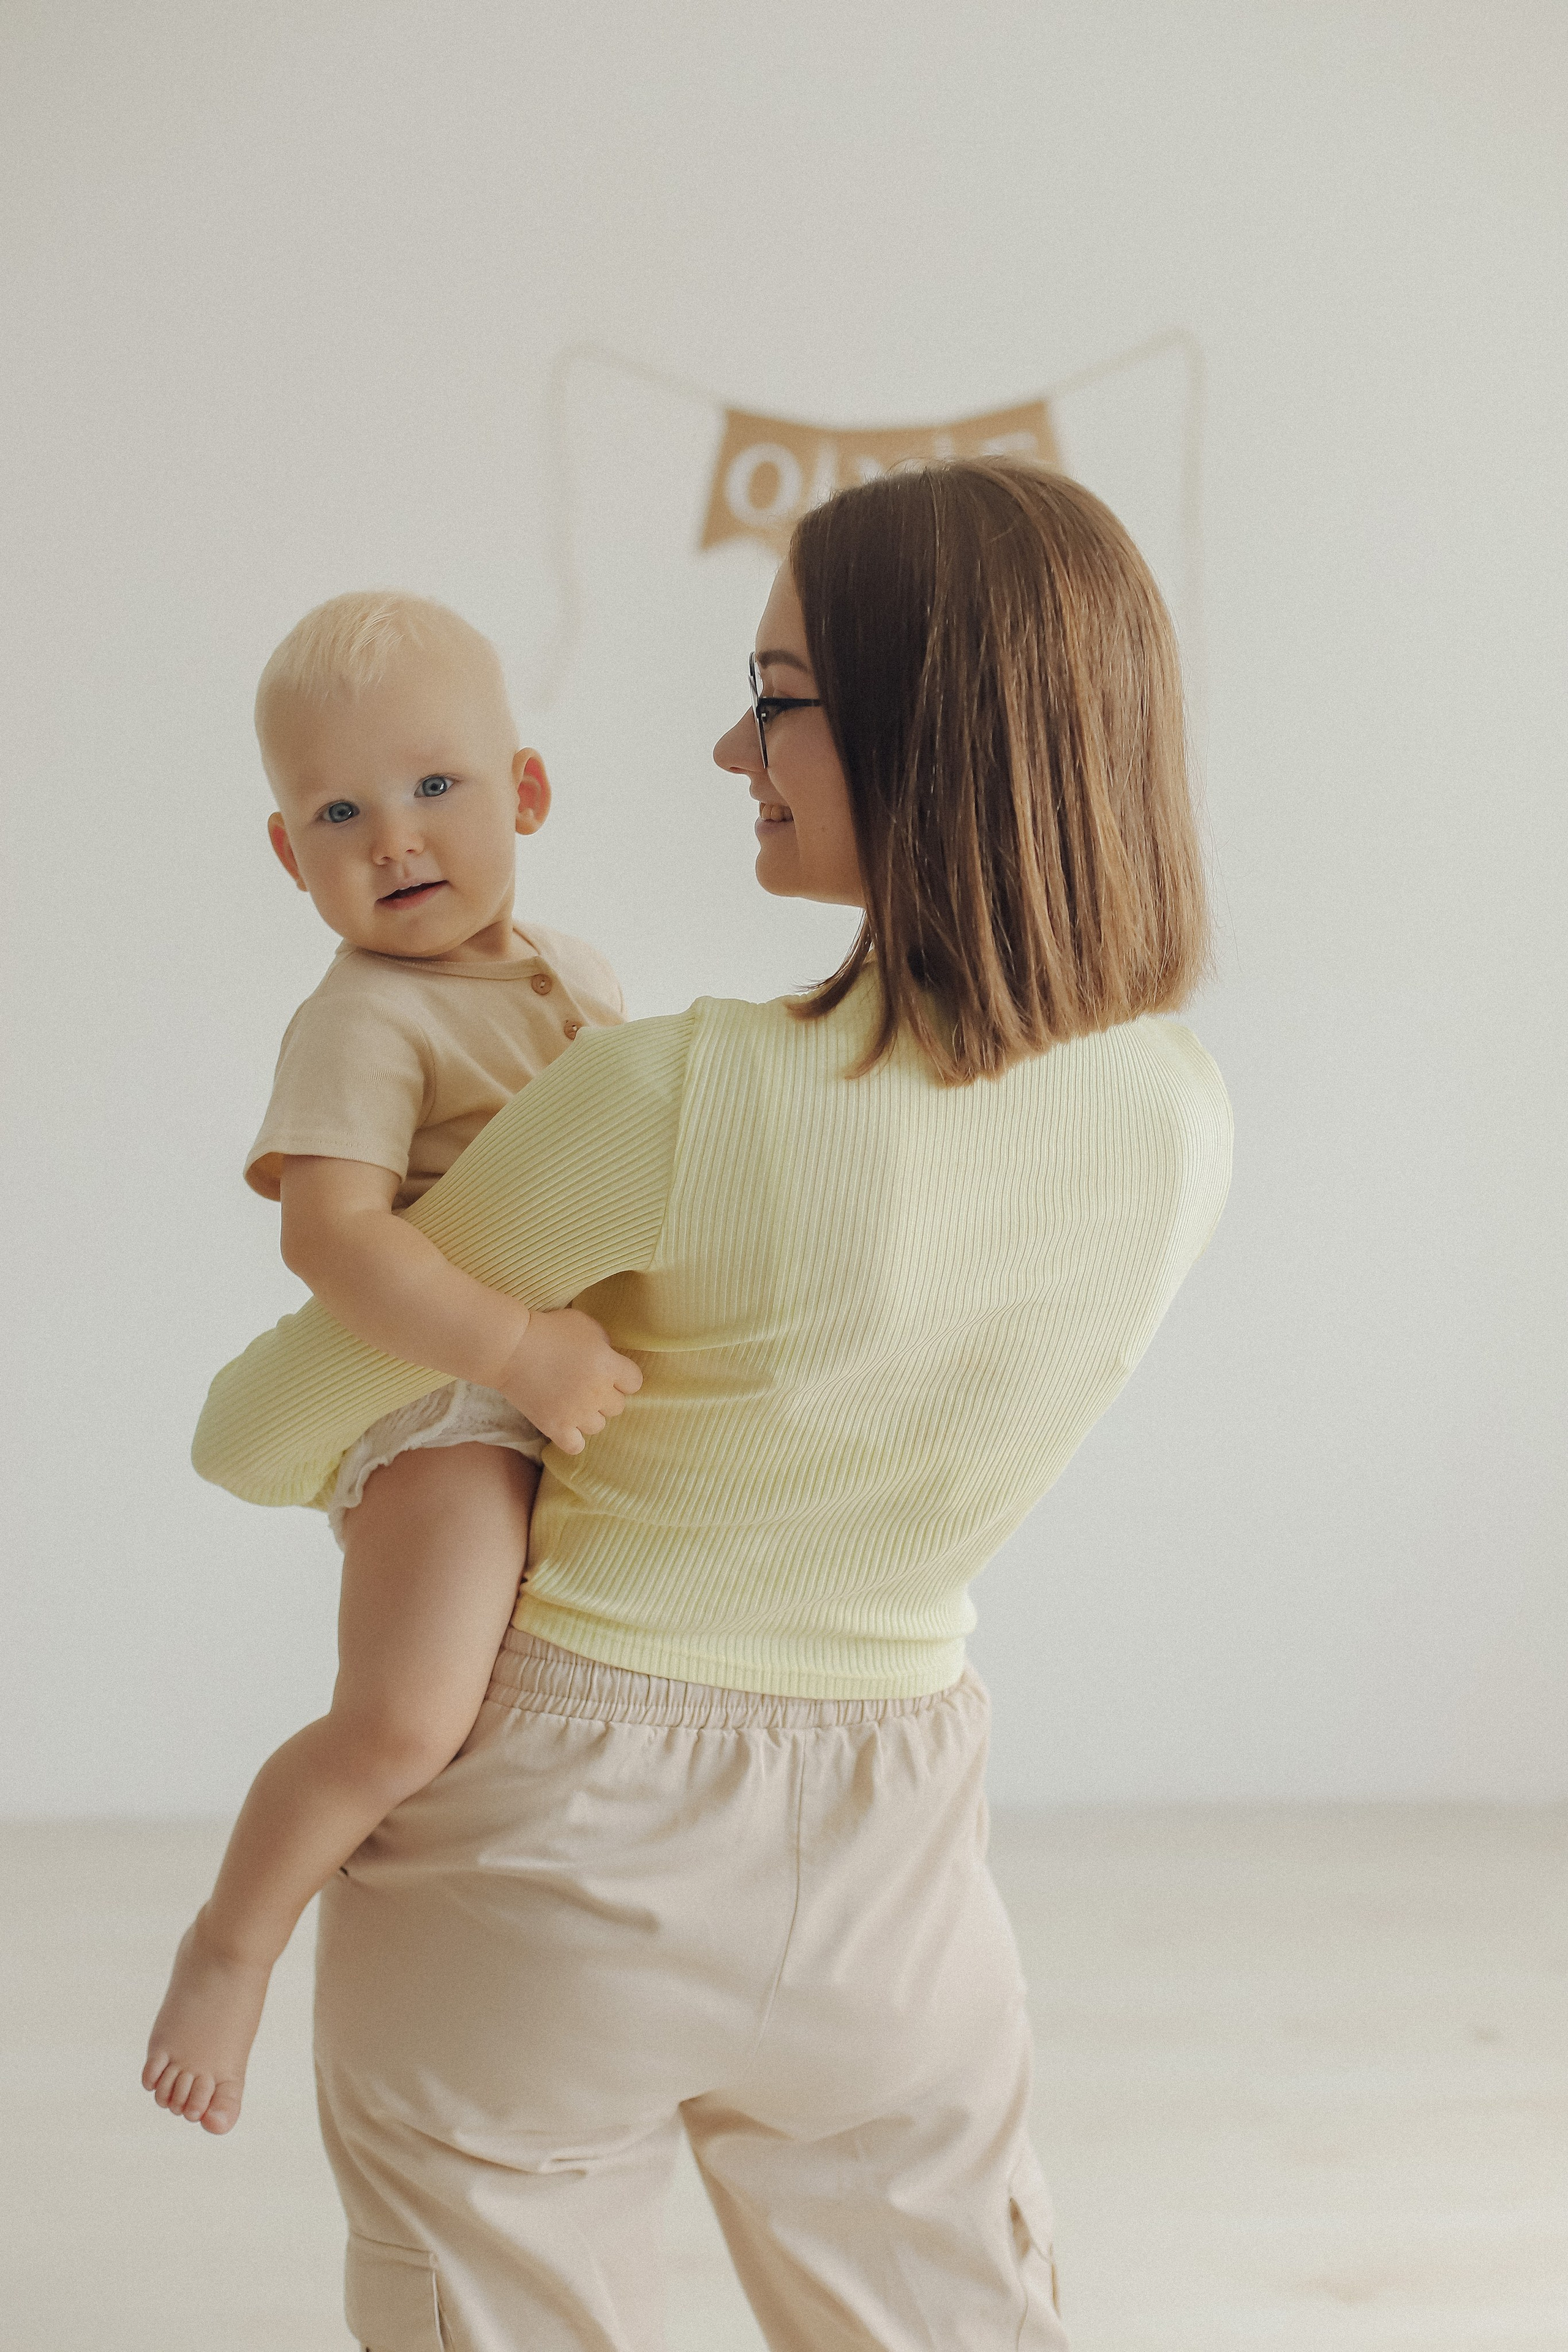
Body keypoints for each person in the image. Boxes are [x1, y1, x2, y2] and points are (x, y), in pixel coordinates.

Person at [188, 460, 1232, 2350]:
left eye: (778, 695)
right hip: (901, 1846)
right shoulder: (1181, 1120)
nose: (729, 741)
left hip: (556, 1831)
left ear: (926, 719)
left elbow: (263, 1428)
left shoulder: (676, 1097)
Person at [142, 592, 642, 2136]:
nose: (393, 840)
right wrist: (511, 1348)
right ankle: (231, 1946)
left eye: (435, 789)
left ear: (528, 796)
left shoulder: (569, 971)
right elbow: (333, 1240)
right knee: (403, 1720)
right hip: (442, 1404)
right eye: (338, 812)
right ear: (291, 856)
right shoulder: (363, 1020)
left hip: (555, 1379)